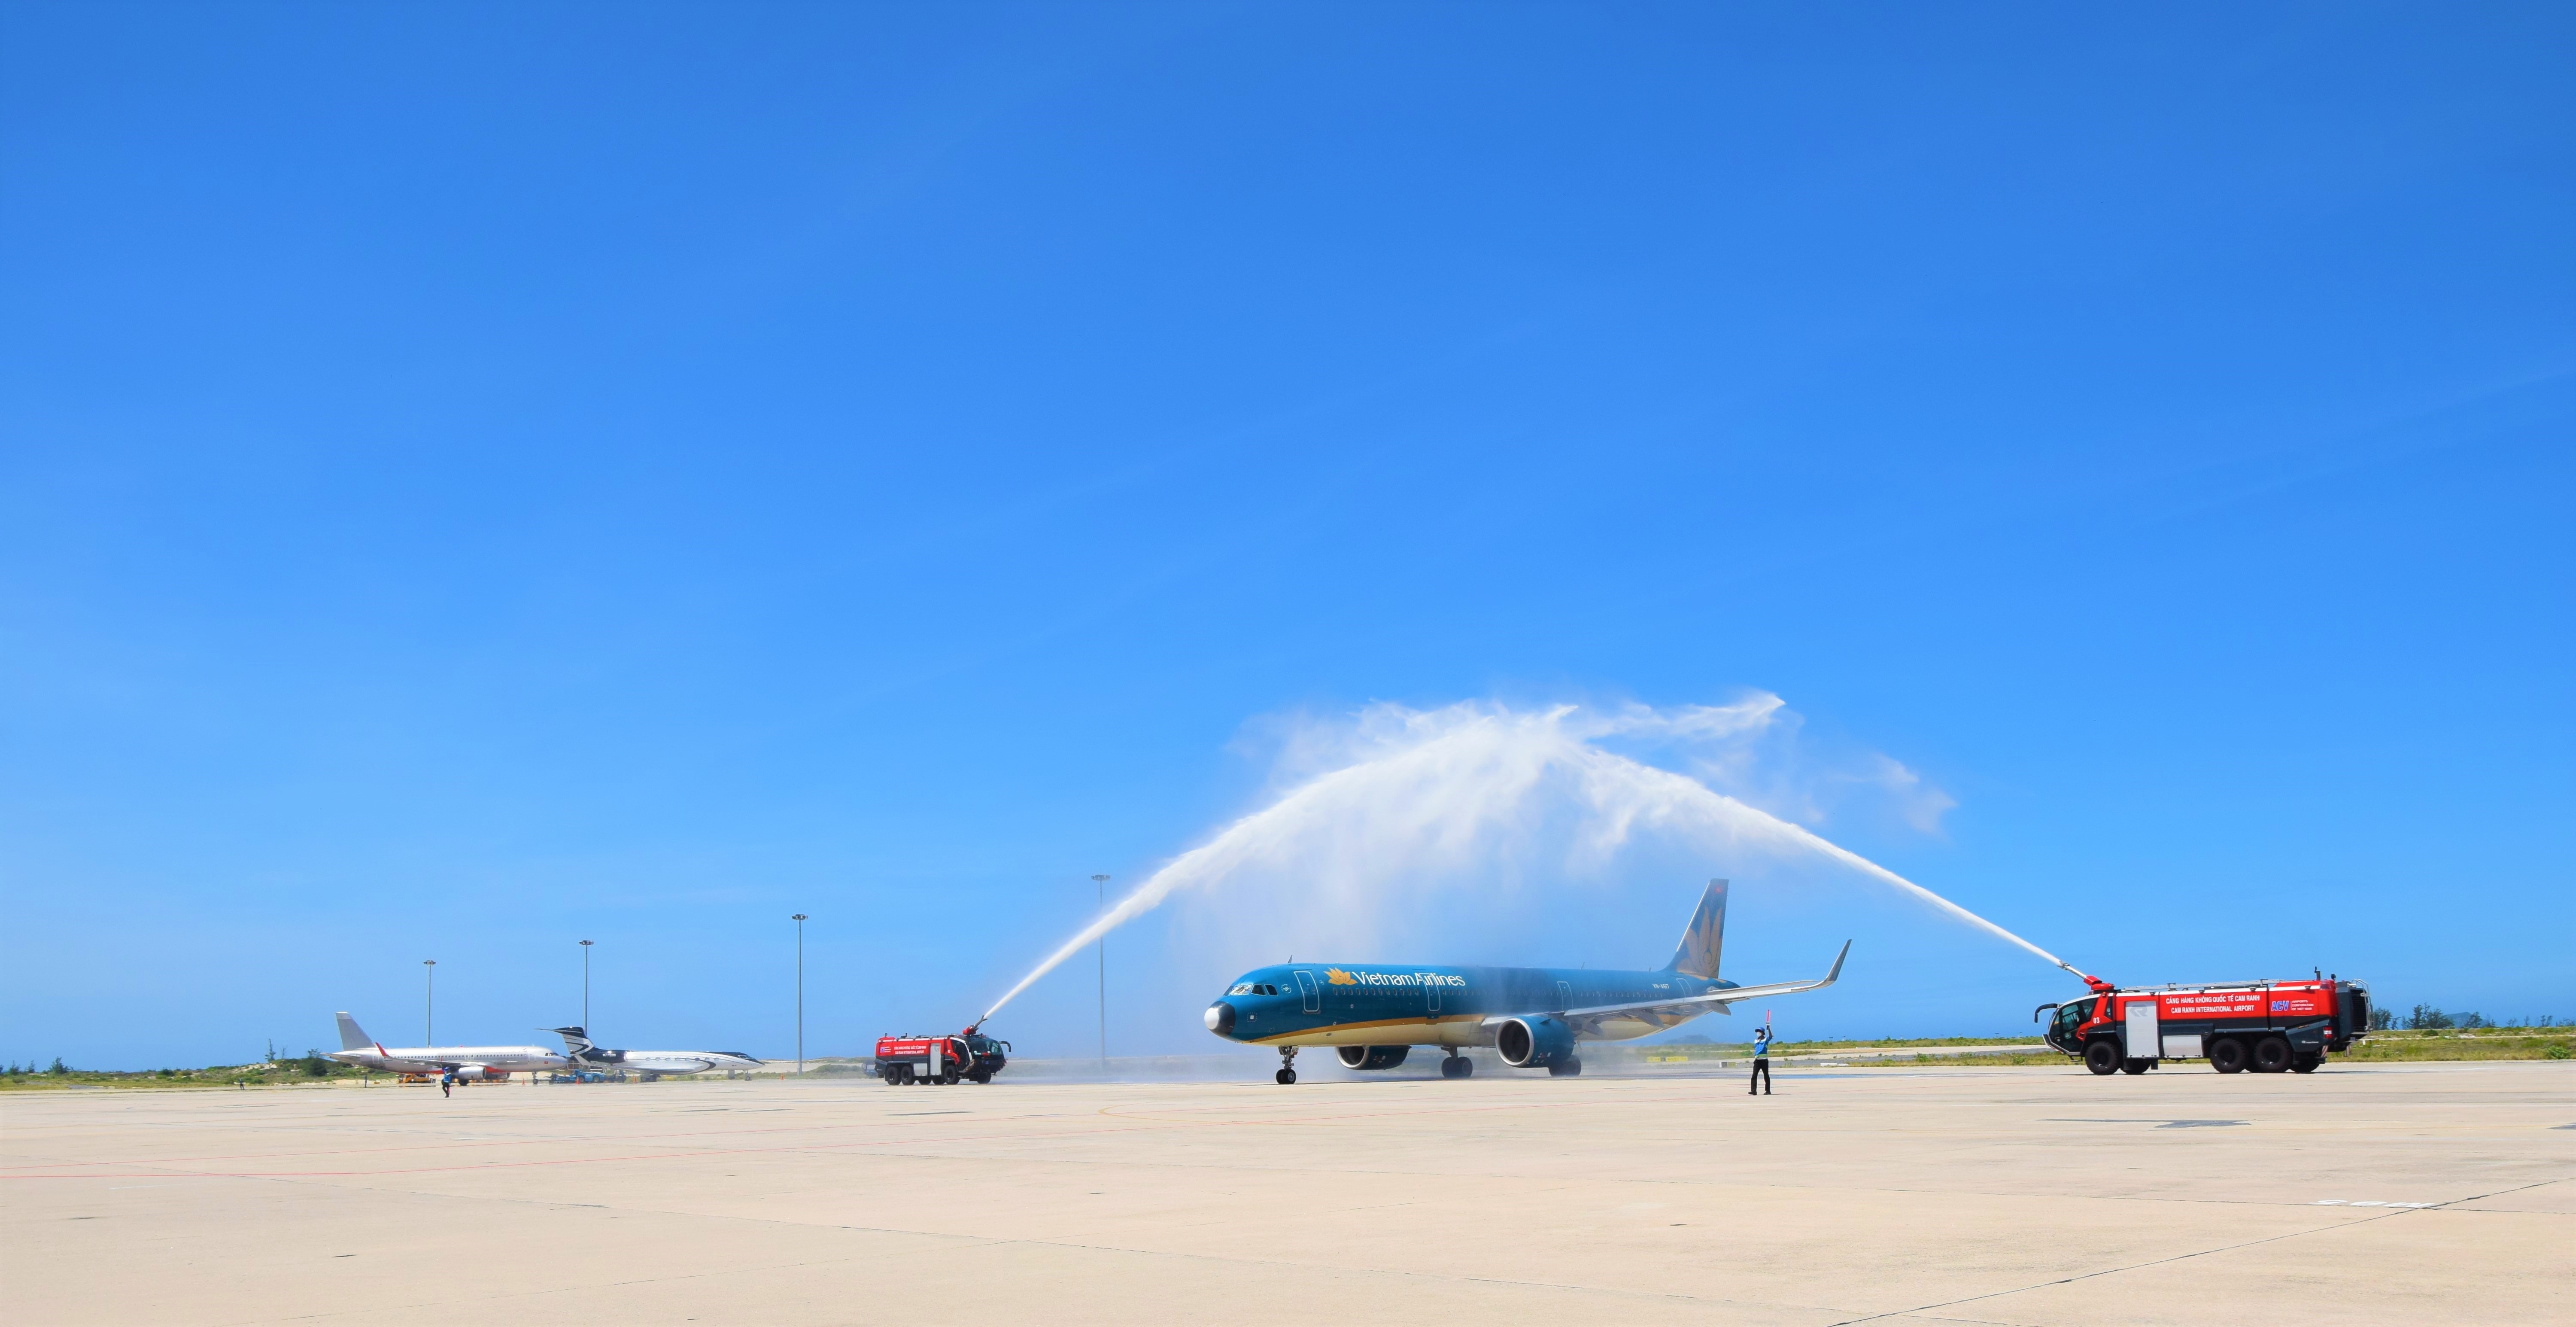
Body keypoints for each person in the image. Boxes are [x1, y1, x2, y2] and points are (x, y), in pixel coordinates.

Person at [1748, 1024, 1773, 1096]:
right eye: (1757, 1032)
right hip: (1757, 1061)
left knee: (1766, 1075)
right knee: (1754, 1075)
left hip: (1764, 1061)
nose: (1758, 1033)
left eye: (1759, 1031)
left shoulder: (1766, 1040)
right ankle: (1754, 1091)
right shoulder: (1756, 1041)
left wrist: (1769, 1029)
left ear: (1763, 1033)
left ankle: (1768, 1091)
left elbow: (1771, 1037)